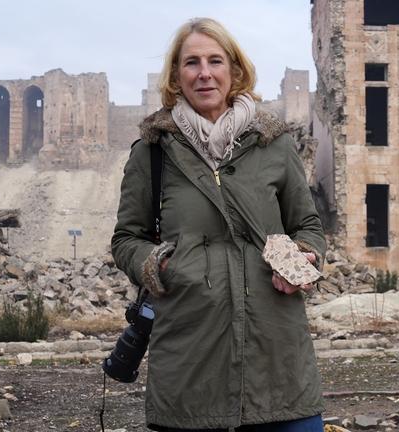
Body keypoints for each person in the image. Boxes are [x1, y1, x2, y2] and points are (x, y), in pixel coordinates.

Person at [111, 17, 326, 432]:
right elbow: (126, 239)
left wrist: (303, 256)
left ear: (235, 70)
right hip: (189, 358)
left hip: (277, 356)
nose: (204, 73)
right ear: (176, 75)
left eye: (215, 61)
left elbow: (308, 225)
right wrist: (161, 265)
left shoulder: (275, 144)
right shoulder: (152, 153)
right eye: (191, 63)